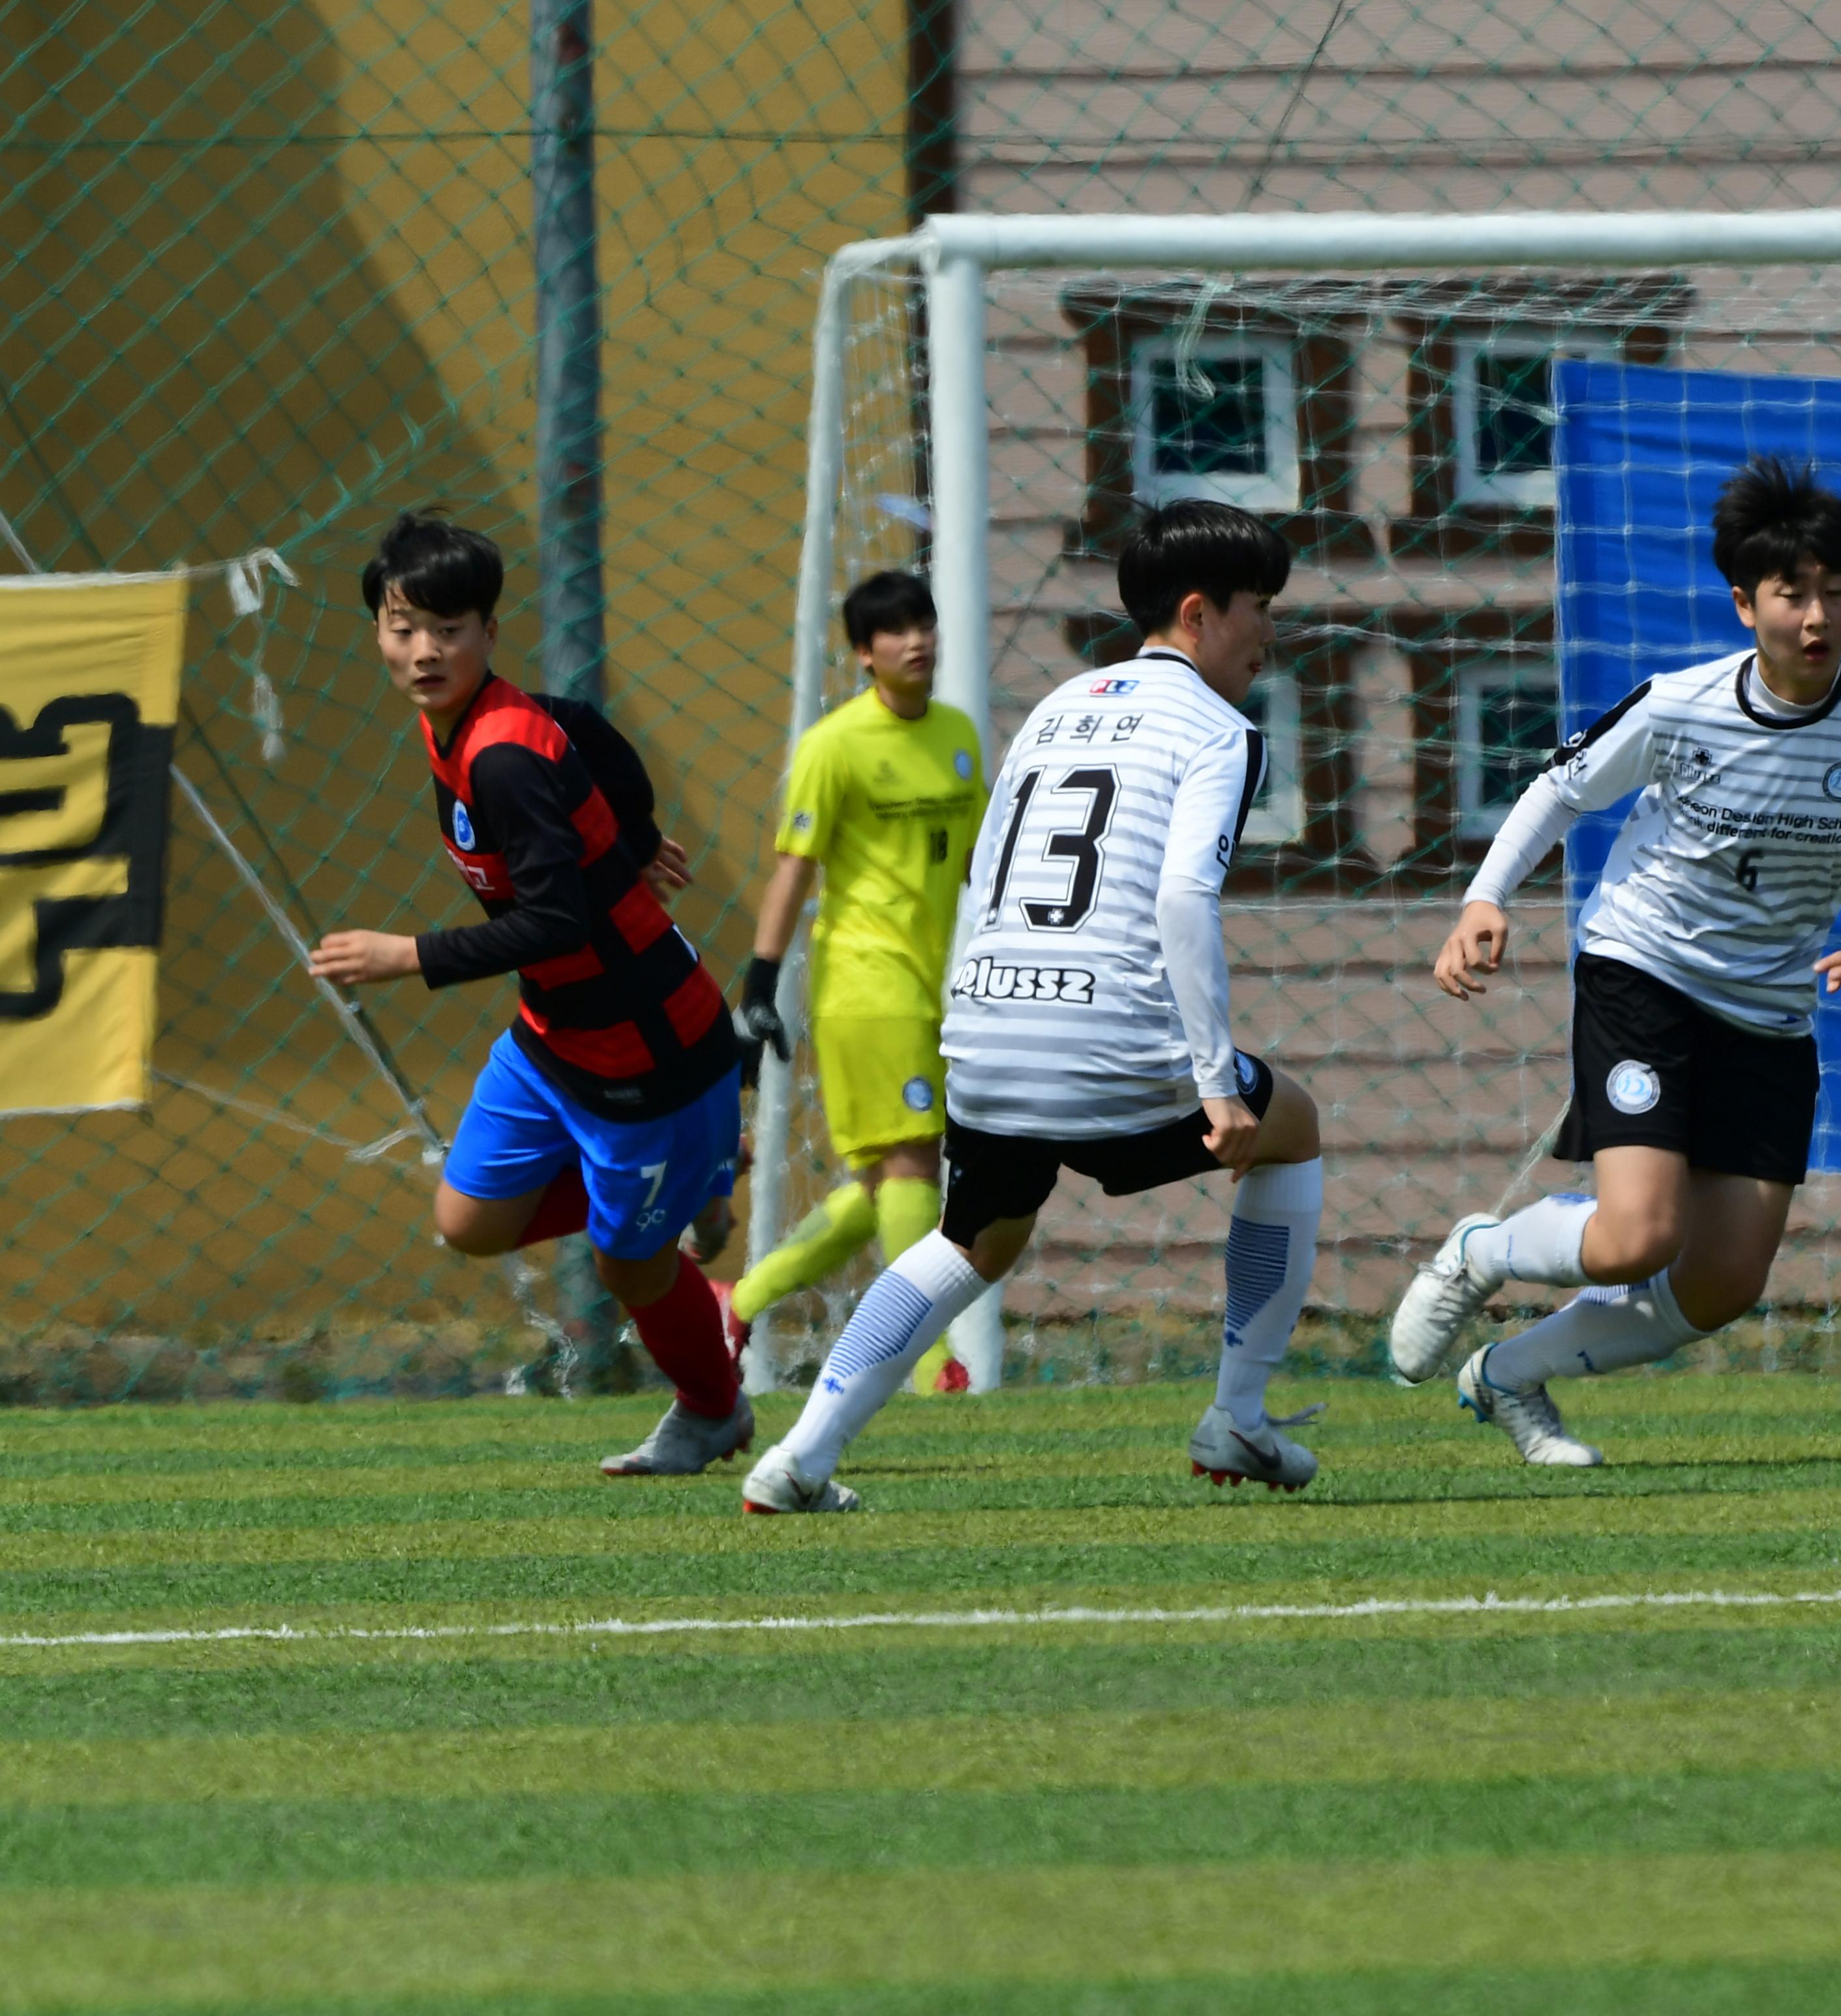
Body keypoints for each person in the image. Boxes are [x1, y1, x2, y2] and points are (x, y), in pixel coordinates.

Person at [738, 500, 1326, 1511]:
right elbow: (1182, 899)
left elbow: (987, 880)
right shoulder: (1221, 730)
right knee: (1294, 1128)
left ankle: (801, 1454)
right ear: (1198, 613)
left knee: (978, 1236)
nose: (1270, 635)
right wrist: (1214, 1077)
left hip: (989, 1034)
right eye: (1260, 609)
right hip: (1108, 1046)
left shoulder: (1056, 704)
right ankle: (1239, 1416)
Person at [1388, 457, 1841, 1465]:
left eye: (1837, 591)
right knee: (1635, 1237)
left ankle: (1511, 1377)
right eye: (1794, 594)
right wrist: (1485, 898)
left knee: (1720, 1284)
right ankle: (1480, 1252)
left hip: (1771, 1016)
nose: (1818, 616)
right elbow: (1562, 790)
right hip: (1643, 971)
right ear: (1747, 605)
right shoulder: (1678, 703)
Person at [307, 513, 750, 1476]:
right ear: (378, 631)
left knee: (625, 1264)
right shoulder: (469, 722)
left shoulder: (501, 757)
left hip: (649, 1051)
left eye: (450, 628)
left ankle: (712, 1411)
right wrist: (631, 835)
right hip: (556, 1039)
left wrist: (405, 953)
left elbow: (558, 924)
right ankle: (703, 1166)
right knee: (470, 1223)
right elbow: (591, 732)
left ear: (489, 634)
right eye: (402, 625)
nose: (425, 650)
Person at [723, 570, 990, 1394]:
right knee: (916, 1165)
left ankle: (741, 1298)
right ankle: (928, 1358)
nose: (918, 641)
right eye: (895, 630)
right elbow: (793, 870)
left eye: (925, 623)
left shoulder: (956, 734)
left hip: (932, 980)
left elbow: (981, 857)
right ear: (863, 654)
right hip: (864, 985)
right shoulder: (834, 745)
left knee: (884, 1185)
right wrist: (760, 982)